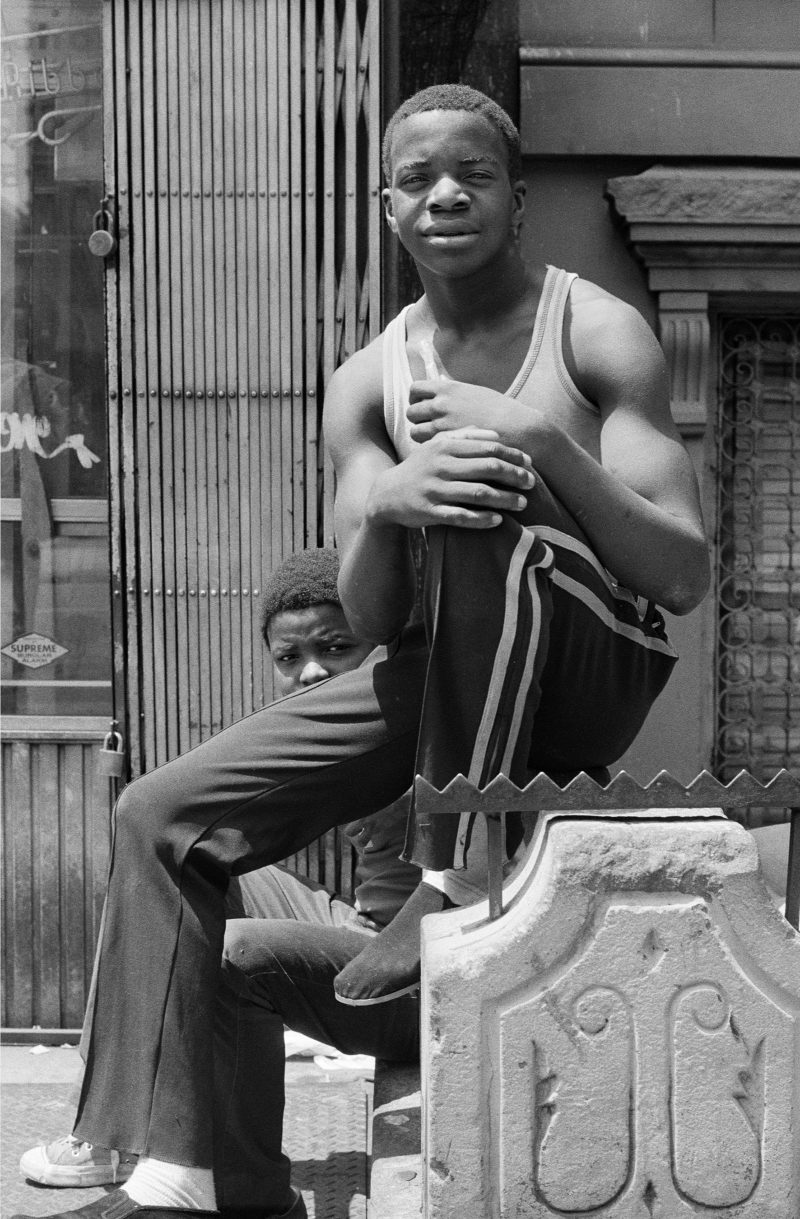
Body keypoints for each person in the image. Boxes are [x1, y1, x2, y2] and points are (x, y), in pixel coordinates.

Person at [13, 83, 708, 1219]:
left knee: (487, 498)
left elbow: (678, 574)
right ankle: (193, 1166)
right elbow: (374, 620)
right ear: (385, 206)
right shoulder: (365, 380)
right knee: (158, 814)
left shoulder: (593, 327)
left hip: (586, 665)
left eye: (471, 175)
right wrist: (389, 496)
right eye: (416, 179)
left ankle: (452, 868)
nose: (443, 194)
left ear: (516, 198)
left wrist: (533, 436)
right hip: (441, 675)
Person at [18, 549, 420, 1208]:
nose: (311, 669)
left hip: (402, 963)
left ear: (378, 642)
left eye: (336, 646)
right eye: (288, 658)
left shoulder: (396, 713)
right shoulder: (328, 728)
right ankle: (113, 1129)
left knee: (216, 925)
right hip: (358, 921)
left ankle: (216, 1175)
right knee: (165, 872)